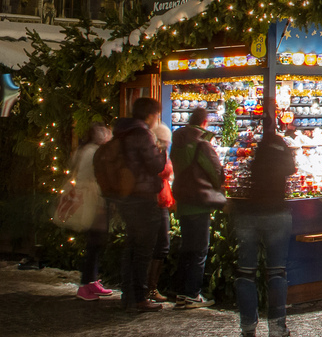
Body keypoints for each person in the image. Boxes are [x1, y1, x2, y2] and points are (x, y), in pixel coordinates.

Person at [232, 118, 297, 337]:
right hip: (276, 211)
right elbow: (291, 168)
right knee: (276, 271)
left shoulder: (256, 148)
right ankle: (277, 327)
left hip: (250, 211)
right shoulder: (280, 144)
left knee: (245, 272)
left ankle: (248, 326)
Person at [113, 97, 171, 311]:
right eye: (156, 115)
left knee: (131, 247)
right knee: (143, 249)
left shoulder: (123, 131)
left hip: (126, 196)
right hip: (143, 196)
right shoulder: (143, 134)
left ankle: (128, 295)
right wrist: (162, 149)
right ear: (150, 115)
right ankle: (138, 298)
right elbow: (155, 164)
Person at [169, 107, 226, 308]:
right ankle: (192, 293)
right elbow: (215, 172)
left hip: (183, 202)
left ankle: (182, 293)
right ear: (204, 123)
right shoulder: (202, 145)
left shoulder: (177, 144)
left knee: (187, 248)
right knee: (199, 250)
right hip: (200, 203)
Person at [58, 121, 116, 301]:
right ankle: (85, 285)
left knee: (94, 242)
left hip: (89, 198)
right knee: (94, 243)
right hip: (92, 200)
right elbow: (96, 177)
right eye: (104, 132)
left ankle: (91, 281)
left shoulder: (85, 150)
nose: (107, 134)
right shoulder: (94, 153)